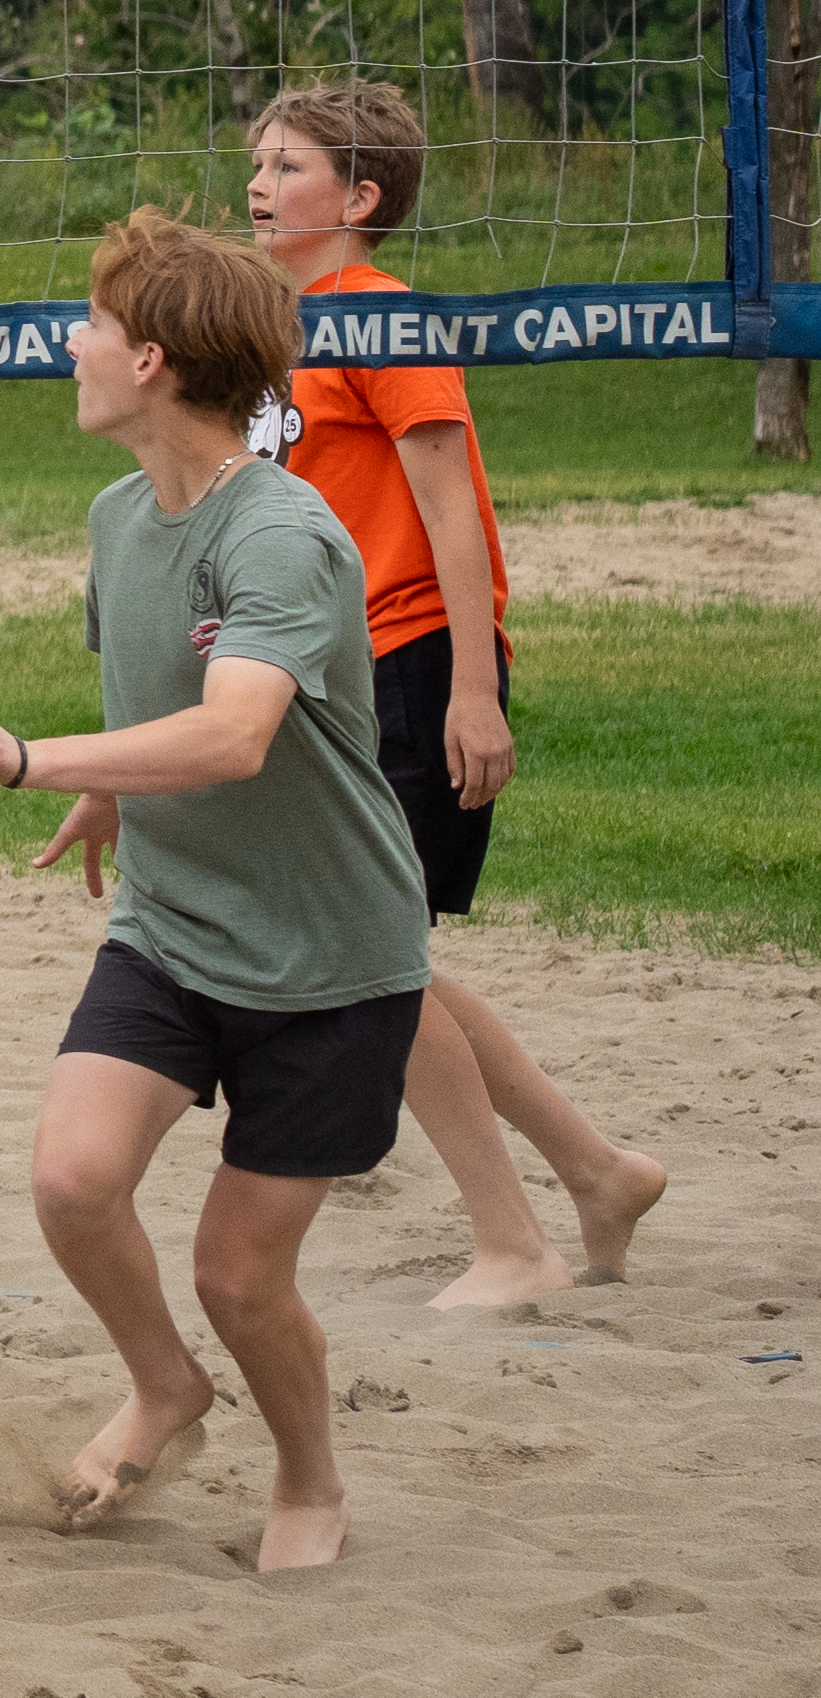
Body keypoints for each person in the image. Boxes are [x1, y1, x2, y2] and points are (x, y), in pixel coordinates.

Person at [0, 209, 428, 1573]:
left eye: (87, 325)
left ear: (149, 363)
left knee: (239, 1276)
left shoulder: (285, 534)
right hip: (176, 926)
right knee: (76, 1181)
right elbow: (157, 694)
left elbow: (235, 732)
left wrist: (31, 760)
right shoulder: (119, 515)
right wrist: (104, 786)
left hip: (331, 959)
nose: (66, 345)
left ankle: (310, 1479)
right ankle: (166, 1388)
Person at [239, 80, 663, 1307]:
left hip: (416, 659)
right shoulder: (280, 330)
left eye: (290, 166)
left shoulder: (381, 321)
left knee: (372, 962)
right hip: (330, 677)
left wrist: (476, 689)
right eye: (257, 163)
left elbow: (451, 511)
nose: (260, 184)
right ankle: (594, 1171)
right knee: (388, 958)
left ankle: (514, 1241)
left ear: (361, 198)